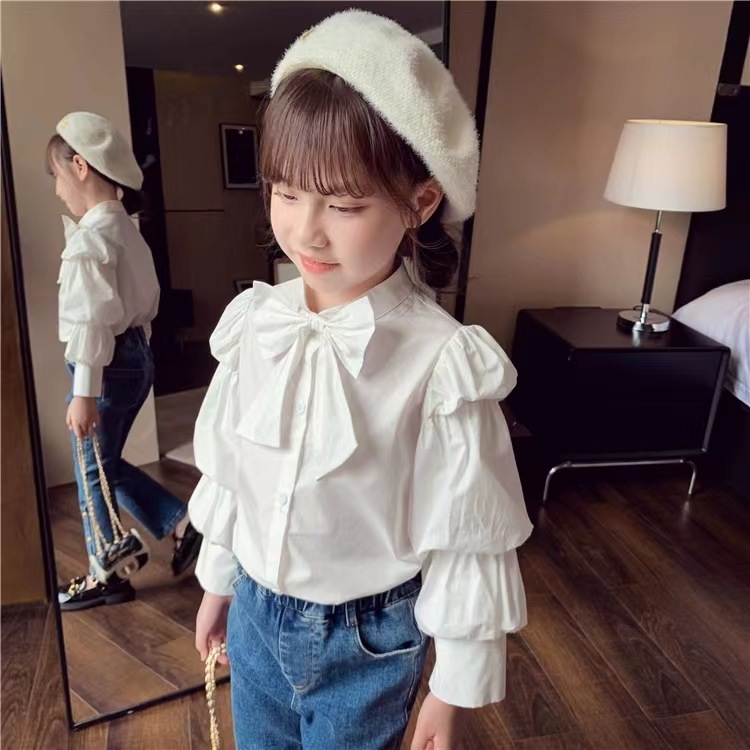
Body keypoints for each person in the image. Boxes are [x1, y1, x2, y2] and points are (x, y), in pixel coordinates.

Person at [190, 10, 533, 750]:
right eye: (286, 192)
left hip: (366, 644)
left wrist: (454, 685)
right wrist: (219, 578)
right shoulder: (257, 323)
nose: (306, 230)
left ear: (420, 203)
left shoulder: (442, 363)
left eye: (344, 205)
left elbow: (468, 536)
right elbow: (235, 473)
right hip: (254, 615)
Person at [49, 112, 201, 611]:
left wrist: (85, 392)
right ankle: (182, 523)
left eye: (56, 176)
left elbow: (92, 320)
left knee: (91, 469)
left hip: (105, 364)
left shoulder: (90, 239)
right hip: (134, 356)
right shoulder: (127, 232)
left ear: (79, 166)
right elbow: (146, 304)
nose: (57, 191)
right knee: (105, 463)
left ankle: (106, 572)